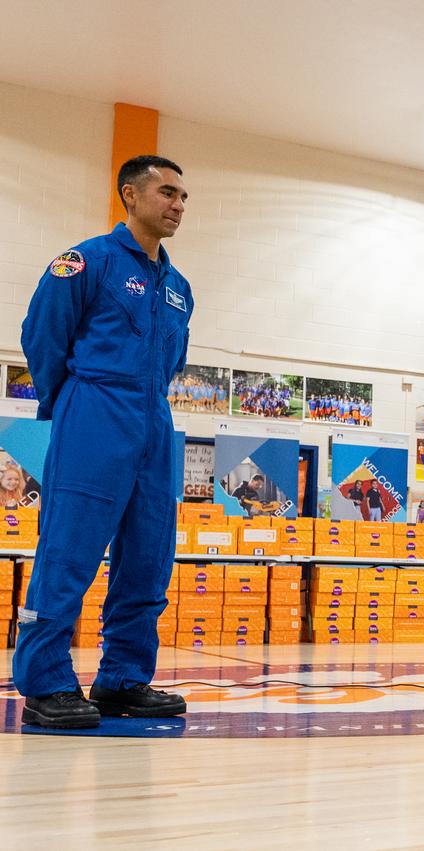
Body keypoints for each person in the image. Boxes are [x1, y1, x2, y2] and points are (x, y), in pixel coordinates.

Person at [14, 155, 193, 729]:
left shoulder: (179, 289)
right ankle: (46, 682)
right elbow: (42, 336)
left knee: (148, 557)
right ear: (130, 195)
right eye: (167, 192)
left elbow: (173, 360)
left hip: (154, 421)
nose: (178, 205)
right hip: (94, 410)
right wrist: (69, 402)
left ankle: (122, 678)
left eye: (183, 197)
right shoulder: (84, 262)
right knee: (68, 552)